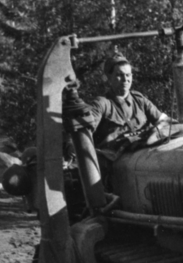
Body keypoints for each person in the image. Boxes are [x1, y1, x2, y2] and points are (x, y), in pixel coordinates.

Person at [62, 55, 176, 188]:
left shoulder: (139, 100)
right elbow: (83, 130)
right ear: (108, 77)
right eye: (119, 75)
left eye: (128, 75)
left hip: (145, 155)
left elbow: (165, 120)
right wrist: (71, 149)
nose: (125, 79)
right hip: (117, 165)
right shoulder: (102, 104)